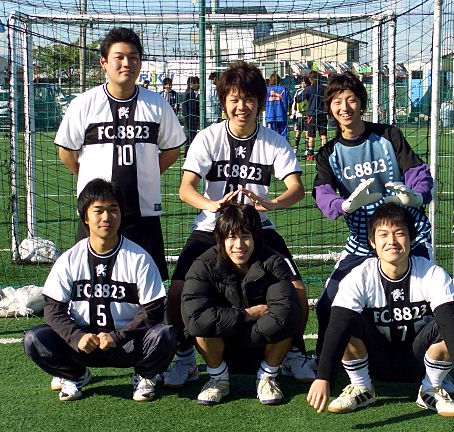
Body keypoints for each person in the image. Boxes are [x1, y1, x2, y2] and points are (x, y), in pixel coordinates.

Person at [164, 60, 313, 388]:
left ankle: (293, 353)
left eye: (248, 99)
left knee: (298, 291)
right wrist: (212, 205)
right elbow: (186, 188)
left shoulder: (274, 141)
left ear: (260, 102)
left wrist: (271, 203)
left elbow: (297, 188)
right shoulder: (208, 138)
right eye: (234, 99)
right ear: (224, 102)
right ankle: (185, 357)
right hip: (212, 227)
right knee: (177, 291)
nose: (241, 106)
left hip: (257, 228)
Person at [307, 203, 454, 416]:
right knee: (346, 321)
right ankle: (362, 387)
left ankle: (431, 389)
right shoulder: (359, 276)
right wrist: (323, 377)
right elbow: (337, 325)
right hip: (375, 361)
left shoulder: (432, 274)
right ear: (373, 242)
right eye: (383, 234)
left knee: (447, 325)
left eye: (399, 233)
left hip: (420, 361)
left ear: (411, 239)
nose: (391, 241)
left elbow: (450, 323)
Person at [313, 71, 434, 359]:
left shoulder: (389, 136)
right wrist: (343, 205)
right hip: (363, 240)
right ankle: (325, 363)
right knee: (328, 303)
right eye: (337, 102)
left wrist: (416, 196)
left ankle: (433, 362)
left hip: (407, 235)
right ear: (329, 108)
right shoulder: (328, 153)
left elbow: (418, 172)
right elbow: (322, 192)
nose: (345, 107)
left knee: (430, 300)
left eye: (351, 100)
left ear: (362, 103)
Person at [23, 179, 177, 402]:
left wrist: (118, 337)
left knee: (165, 335)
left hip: (127, 343)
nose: (107, 217)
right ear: (85, 217)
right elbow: (53, 310)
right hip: (83, 344)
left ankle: (145, 375)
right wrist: (76, 337)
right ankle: (75, 375)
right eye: (98, 211)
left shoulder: (139, 258)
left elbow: (153, 310)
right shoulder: (69, 259)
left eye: (113, 210)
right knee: (34, 339)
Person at [55, 27, 185, 283]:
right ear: (104, 62)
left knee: (148, 283)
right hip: (97, 212)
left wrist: (147, 172)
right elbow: (66, 151)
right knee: (91, 281)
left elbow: (172, 149)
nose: (127, 63)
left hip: (143, 212)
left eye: (134, 57)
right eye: (120, 57)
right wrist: (88, 177)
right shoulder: (84, 104)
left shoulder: (157, 104)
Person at [182, 203, 302, 405]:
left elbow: (285, 314)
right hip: (221, 341)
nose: (239, 245)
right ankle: (218, 379)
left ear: (256, 237)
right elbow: (195, 318)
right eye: (231, 237)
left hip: (261, 340)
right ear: (221, 239)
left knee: (288, 318)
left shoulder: (274, 262)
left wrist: (237, 329)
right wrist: (245, 315)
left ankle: (267, 377)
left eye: (245, 236)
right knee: (201, 328)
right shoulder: (203, 264)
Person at [302, 70, 327, 161]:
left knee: (311, 136)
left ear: (310, 79)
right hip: (322, 114)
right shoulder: (324, 88)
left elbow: (299, 99)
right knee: (323, 135)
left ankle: (310, 154)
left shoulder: (308, 89)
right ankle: (325, 153)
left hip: (311, 115)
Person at [265, 73, 292, 139]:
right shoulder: (284, 89)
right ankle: (284, 145)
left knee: (271, 136)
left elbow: (262, 102)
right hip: (282, 115)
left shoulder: (266, 90)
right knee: (283, 136)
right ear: (279, 81)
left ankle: (272, 145)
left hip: (270, 116)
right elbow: (290, 102)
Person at [182, 76, 200, 154]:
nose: (198, 85)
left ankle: (189, 152)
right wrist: (187, 117)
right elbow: (184, 107)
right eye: (197, 83)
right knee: (190, 136)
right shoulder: (188, 93)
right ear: (191, 84)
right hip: (189, 118)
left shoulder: (192, 93)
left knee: (192, 135)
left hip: (192, 118)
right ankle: (187, 153)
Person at [291, 76, 308, 153]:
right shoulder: (298, 91)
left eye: (304, 82)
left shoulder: (309, 90)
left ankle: (307, 149)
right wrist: (293, 112)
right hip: (299, 115)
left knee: (307, 133)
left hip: (307, 115)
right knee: (298, 132)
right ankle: (296, 148)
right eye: (302, 82)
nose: (303, 84)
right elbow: (294, 102)